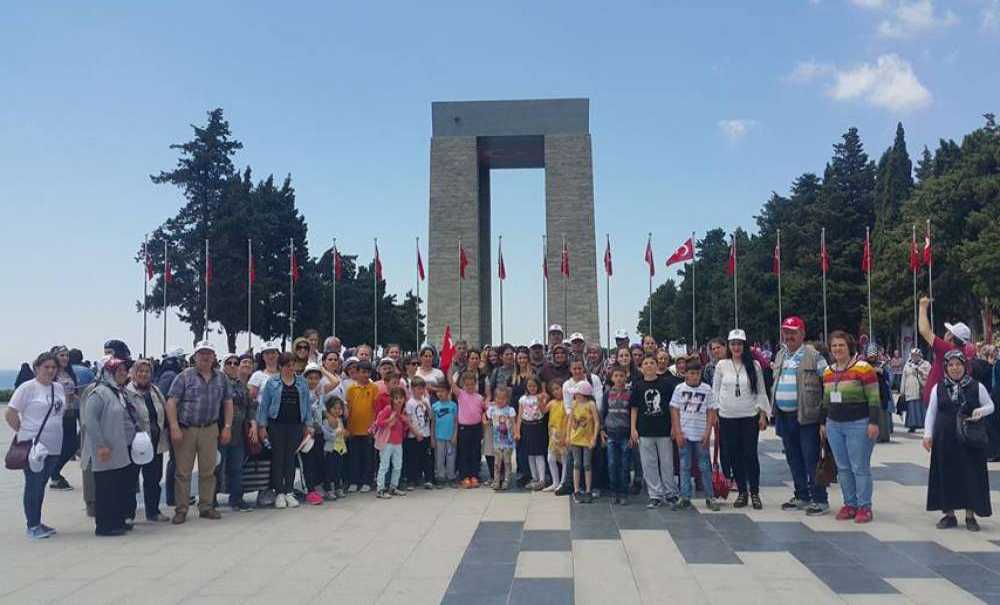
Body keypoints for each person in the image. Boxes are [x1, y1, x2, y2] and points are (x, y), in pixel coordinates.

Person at [924, 349, 994, 531]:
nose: (955, 368)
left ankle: (970, 516)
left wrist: (981, 411)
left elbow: (990, 405)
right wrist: (927, 435)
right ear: (946, 367)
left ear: (965, 366)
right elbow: (931, 412)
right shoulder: (938, 387)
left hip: (969, 439)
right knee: (946, 474)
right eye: (951, 365)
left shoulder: (975, 386)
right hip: (945, 439)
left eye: (958, 364)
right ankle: (949, 515)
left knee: (971, 474)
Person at [164, 341, 234, 524]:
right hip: (187, 429)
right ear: (195, 357)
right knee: (183, 472)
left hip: (210, 429)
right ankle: (181, 509)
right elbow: (171, 402)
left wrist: (227, 427)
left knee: (208, 471)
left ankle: (206, 506)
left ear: (214, 357)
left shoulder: (221, 378)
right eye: (201, 353)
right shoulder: (184, 377)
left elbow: (228, 403)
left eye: (209, 353)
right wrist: (174, 427)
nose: (205, 356)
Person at [819, 331, 881, 524]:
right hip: (834, 424)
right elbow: (826, 400)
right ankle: (850, 504)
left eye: (841, 345)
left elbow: (874, 397)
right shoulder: (828, 371)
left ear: (849, 347)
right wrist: (823, 422)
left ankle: (864, 506)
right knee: (843, 468)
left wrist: (873, 422)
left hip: (858, 424)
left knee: (859, 467)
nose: (837, 349)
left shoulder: (863, 368)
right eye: (834, 346)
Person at [771, 316, 829, 515]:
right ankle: (801, 495)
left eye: (793, 332)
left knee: (811, 458)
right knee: (793, 457)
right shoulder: (780, 355)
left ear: (802, 334)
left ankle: (820, 499)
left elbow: (827, 382)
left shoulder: (813, 355)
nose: (788, 336)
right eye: (786, 332)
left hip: (807, 416)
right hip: (784, 416)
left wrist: (824, 418)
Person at [6, 352, 66, 539]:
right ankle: (32, 524)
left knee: (41, 484)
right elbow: (10, 413)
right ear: (37, 368)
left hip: (54, 444)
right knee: (34, 484)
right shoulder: (27, 388)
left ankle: (37, 520)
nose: (50, 371)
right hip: (34, 446)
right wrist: (23, 432)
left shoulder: (58, 388)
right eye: (46, 367)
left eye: (53, 367)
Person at [713, 330, 770, 510]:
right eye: (733, 344)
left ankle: (754, 492)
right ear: (729, 346)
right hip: (728, 416)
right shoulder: (722, 365)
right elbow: (715, 391)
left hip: (748, 416)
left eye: (739, 344)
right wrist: (715, 413)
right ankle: (742, 492)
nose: (736, 347)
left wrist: (762, 414)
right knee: (734, 455)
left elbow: (761, 390)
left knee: (750, 454)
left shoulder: (754, 365)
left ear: (745, 346)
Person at [83, 356, 137, 536]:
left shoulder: (118, 392)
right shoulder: (98, 393)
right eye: (119, 370)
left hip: (120, 449)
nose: (123, 373)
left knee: (118, 486)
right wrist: (100, 445)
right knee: (106, 487)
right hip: (105, 450)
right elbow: (90, 421)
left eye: (124, 370)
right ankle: (105, 525)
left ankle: (117, 520)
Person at [256, 352, 312, 509]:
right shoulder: (272, 382)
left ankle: (289, 491)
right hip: (276, 425)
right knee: (278, 458)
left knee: (290, 458)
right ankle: (279, 492)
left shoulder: (301, 382)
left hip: (295, 425)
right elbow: (264, 405)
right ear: (280, 366)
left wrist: (308, 425)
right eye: (287, 365)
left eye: (293, 365)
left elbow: (306, 405)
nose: (290, 368)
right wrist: (262, 426)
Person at [631, 354, 680, 508]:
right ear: (642, 367)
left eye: (652, 362)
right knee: (648, 464)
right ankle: (655, 495)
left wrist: (674, 426)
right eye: (646, 363)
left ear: (656, 365)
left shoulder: (665, 384)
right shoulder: (638, 386)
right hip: (645, 430)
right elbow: (634, 408)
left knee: (667, 463)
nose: (649, 365)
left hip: (664, 429)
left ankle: (671, 493)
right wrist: (633, 428)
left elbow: (673, 407)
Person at [670, 358, 720, 511]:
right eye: (691, 373)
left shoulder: (706, 389)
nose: (695, 376)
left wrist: (707, 433)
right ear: (685, 374)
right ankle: (684, 496)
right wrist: (677, 431)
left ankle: (709, 496)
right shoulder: (679, 389)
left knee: (704, 466)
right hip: (685, 433)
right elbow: (674, 410)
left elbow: (711, 411)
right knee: (684, 466)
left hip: (700, 434)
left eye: (697, 373)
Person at [126, 358, 171, 522]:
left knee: (153, 479)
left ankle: (153, 512)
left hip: (155, 442)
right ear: (133, 373)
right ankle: (128, 514)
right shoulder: (126, 392)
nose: (144, 374)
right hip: (134, 444)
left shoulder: (156, 391)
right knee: (130, 481)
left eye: (147, 371)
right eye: (140, 371)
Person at [918, 296, 969, 403]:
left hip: (938, 403)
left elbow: (924, 330)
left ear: (951, 337)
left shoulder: (947, 350)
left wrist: (922, 307)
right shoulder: (964, 353)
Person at [345, 360, 379, 492]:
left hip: (369, 430)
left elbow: (376, 409)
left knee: (368, 457)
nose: (366, 375)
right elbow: (348, 408)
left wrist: (374, 426)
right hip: (353, 428)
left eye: (368, 372)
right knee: (354, 457)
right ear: (357, 373)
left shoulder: (374, 388)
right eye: (363, 372)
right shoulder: (351, 389)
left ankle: (367, 481)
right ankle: (354, 481)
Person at [48, 346, 78, 491]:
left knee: (72, 445)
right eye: (61, 355)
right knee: (65, 445)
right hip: (59, 415)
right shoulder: (51, 374)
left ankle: (54, 472)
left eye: (66, 355)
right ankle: (54, 474)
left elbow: (73, 391)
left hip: (71, 413)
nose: (65, 358)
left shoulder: (68, 372)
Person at [602, 365, 632, 505]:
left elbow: (633, 414)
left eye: (621, 376)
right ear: (612, 378)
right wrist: (602, 430)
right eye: (616, 376)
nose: (619, 379)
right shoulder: (607, 394)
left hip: (625, 434)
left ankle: (624, 492)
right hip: (611, 434)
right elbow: (603, 412)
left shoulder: (630, 394)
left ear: (625, 377)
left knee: (625, 465)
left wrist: (633, 432)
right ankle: (614, 492)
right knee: (612, 463)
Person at [374, 387, 411, 498]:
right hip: (387, 442)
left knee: (397, 466)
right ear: (392, 399)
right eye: (396, 398)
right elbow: (378, 423)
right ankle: (380, 489)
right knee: (384, 466)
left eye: (401, 398)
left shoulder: (402, 412)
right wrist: (389, 420)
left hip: (398, 442)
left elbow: (403, 428)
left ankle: (393, 487)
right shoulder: (388, 409)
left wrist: (406, 423)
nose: (399, 400)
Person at [567, 381, 600, 503]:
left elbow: (596, 422)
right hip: (575, 438)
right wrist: (567, 436)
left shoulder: (591, 404)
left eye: (577, 393)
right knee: (577, 463)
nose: (575, 395)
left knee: (587, 464)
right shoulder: (574, 404)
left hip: (587, 439)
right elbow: (570, 421)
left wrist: (594, 438)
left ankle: (588, 490)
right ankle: (576, 489)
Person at [515, 377, 548, 490]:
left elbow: (543, 411)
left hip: (538, 426)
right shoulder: (522, 399)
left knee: (539, 453)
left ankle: (542, 479)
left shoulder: (542, 396)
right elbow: (519, 415)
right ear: (526, 387)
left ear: (538, 386)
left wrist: (540, 400)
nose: (532, 388)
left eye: (534, 386)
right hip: (526, 427)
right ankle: (534, 477)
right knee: (530, 454)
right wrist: (517, 430)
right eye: (529, 386)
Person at [403, 377, 435, 490]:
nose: (420, 391)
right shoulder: (410, 403)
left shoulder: (426, 400)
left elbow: (431, 417)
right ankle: (412, 480)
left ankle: (428, 479)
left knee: (426, 458)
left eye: (422, 388)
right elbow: (409, 420)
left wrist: (426, 406)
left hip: (425, 434)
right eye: (418, 388)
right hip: (414, 435)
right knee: (413, 459)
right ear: (412, 389)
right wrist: (416, 433)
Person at [486, 386, 517, 490]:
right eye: (498, 398)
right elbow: (489, 420)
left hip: (508, 441)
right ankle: (496, 481)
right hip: (497, 441)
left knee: (507, 462)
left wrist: (515, 433)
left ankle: (507, 480)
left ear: (507, 399)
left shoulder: (510, 410)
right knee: (497, 462)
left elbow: (513, 423)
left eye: (503, 398)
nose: (500, 401)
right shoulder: (492, 409)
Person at [320, 397, 348, 498]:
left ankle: (338, 488)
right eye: (334, 408)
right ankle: (328, 489)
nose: (337, 411)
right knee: (329, 470)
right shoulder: (326, 421)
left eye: (339, 409)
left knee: (338, 470)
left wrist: (344, 433)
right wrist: (335, 433)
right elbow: (326, 435)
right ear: (329, 409)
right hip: (330, 449)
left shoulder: (340, 420)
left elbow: (344, 433)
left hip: (340, 449)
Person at [432, 383, 458, 487]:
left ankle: (451, 476)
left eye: (442, 391)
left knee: (451, 458)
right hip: (439, 437)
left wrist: (455, 435)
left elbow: (456, 422)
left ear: (448, 391)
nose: (440, 394)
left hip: (450, 437)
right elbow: (433, 423)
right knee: (439, 458)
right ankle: (440, 477)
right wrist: (432, 438)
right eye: (438, 391)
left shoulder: (453, 405)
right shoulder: (435, 406)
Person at [545, 380, 569, 493]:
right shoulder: (551, 403)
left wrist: (567, 435)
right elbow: (542, 411)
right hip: (553, 434)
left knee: (564, 459)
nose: (556, 392)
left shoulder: (567, 403)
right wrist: (542, 399)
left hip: (564, 433)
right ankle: (555, 481)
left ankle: (562, 482)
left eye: (558, 389)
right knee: (551, 458)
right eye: (553, 390)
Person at [900, 349, 931, 432]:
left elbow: (929, 375)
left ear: (920, 355)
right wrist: (902, 391)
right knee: (911, 408)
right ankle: (912, 425)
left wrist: (920, 371)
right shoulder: (907, 365)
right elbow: (904, 378)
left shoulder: (926, 364)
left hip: (921, 389)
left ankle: (925, 425)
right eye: (913, 355)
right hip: (910, 389)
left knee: (922, 407)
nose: (914, 357)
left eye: (916, 355)